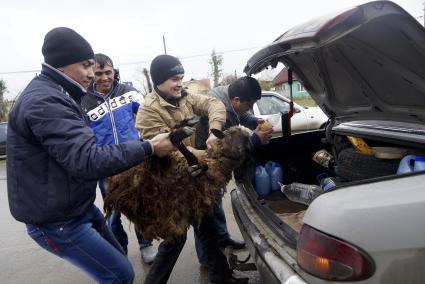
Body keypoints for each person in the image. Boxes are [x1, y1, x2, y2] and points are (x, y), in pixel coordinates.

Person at [6, 27, 174, 284]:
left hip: (77, 208)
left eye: (94, 67)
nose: (91, 74)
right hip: (56, 222)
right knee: (119, 274)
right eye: (86, 66)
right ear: (63, 64)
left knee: (118, 262)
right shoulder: (45, 102)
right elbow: (87, 159)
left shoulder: (59, 93)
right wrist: (148, 147)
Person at [135, 54, 248, 284]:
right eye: (174, 79)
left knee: (208, 229)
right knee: (175, 238)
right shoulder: (148, 112)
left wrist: (214, 132)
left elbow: (213, 104)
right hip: (170, 181)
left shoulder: (184, 97)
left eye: (181, 78)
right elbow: (167, 150)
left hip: (194, 175)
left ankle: (221, 277)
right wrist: (209, 156)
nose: (180, 83)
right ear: (158, 80)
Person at [81, 53, 157, 264]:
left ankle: (146, 244)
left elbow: (148, 114)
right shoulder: (83, 101)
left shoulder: (129, 92)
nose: (104, 77)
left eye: (108, 72)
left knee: (140, 204)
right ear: (92, 74)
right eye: (98, 73)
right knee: (113, 210)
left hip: (134, 160)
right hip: (105, 165)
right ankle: (118, 248)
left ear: (114, 71)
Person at [194, 76, 272, 265]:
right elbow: (233, 150)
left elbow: (242, 115)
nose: (250, 108)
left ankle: (222, 237)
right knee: (204, 210)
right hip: (203, 161)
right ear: (236, 100)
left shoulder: (230, 93)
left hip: (212, 157)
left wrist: (256, 121)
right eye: (249, 105)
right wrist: (256, 139)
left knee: (217, 201)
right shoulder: (224, 111)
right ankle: (207, 258)